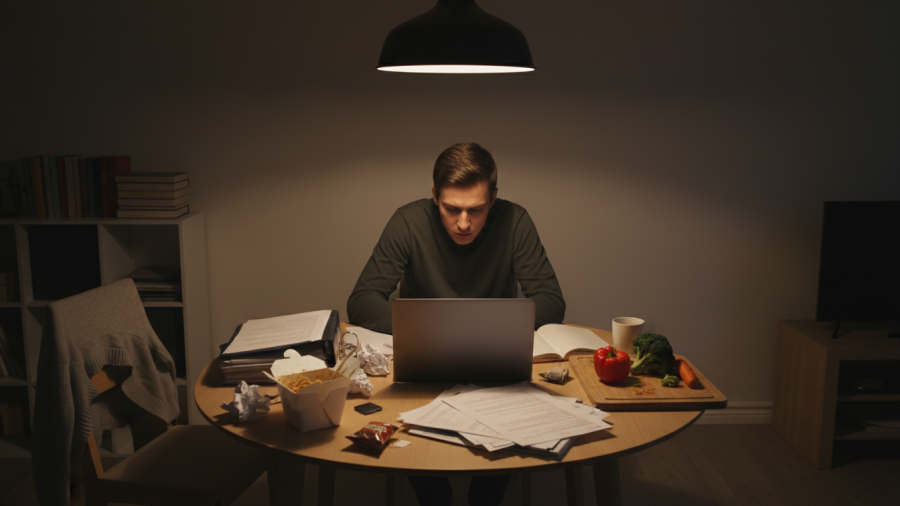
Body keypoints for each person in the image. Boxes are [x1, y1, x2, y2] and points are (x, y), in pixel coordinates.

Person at [347, 142, 565, 506]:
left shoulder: (515, 221)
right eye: (452, 209)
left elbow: (551, 300)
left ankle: (486, 494)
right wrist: (431, 332)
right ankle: (433, 493)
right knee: (412, 439)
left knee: (507, 430)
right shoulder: (408, 221)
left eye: (476, 210)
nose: (464, 223)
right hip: (424, 363)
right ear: (434, 196)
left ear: (493, 198)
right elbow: (362, 299)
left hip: (495, 367)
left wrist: (477, 331)